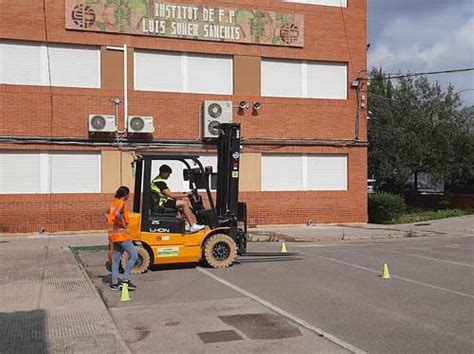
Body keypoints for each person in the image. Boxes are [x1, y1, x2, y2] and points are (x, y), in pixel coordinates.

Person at [151, 164, 205, 232]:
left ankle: (186, 223)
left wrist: (182, 195)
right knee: (184, 204)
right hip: (162, 203)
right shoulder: (160, 182)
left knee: (181, 201)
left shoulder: (157, 181)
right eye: (168, 174)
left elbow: (168, 194)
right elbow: (170, 195)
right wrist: (185, 194)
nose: (169, 176)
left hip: (162, 201)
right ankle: (192, 225)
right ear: (163, 172)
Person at [107, 186, 138, 291]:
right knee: (134, 256)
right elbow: (117, 214)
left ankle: (114, 283)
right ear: (125, 195)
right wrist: (124, 225)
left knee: (116, 260)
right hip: (122, 235)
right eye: (128, 194)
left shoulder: (113, 203)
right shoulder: (121, 203)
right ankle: (125, 280)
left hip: (114, 235)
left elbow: (106, 214)